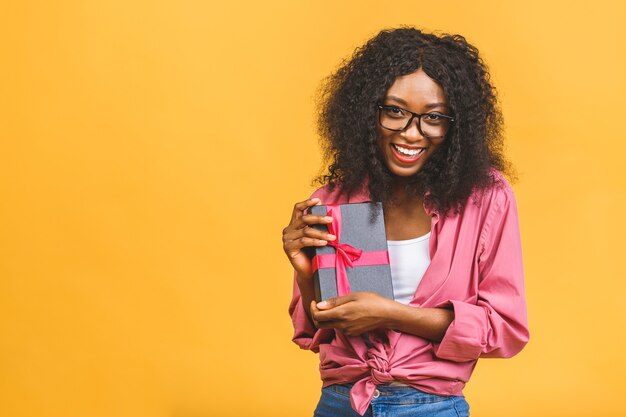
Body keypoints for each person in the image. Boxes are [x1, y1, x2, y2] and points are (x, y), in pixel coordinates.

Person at [282, 27, 529, 417]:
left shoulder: (485, 199)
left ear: (454, 125)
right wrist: (303, 272)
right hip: (341, 404)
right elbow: (316, 330)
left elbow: (505, 330)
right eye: (395, 111)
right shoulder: (332, 202)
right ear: (368, 110)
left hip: (430, 407)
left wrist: (392, 314)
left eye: (433, 117)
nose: (411, 133)